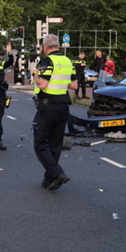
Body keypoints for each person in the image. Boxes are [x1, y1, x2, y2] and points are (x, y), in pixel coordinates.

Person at [33, 34, 77, 191]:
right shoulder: (67, 61)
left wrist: (35, 74)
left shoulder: (46, 61)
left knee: (40, 144)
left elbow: (43, 85)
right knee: (55, 144)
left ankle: (58, 173)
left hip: (48, 107)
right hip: (63, 106)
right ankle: (49, 179)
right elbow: (74, 85)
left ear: (45, 46)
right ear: (58, 45)